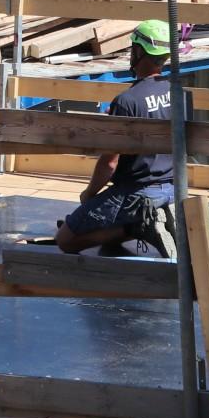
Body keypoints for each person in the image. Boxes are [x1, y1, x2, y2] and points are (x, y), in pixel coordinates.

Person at [54, 19, 178, 258]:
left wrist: (90, 194)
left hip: (138, 193)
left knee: (66, 240)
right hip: (172, 188)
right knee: (100, 211)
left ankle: (139, 226)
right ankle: (147, 221)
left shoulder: (127, 101)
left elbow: (109, 162)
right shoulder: (177, 91)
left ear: (140, 51)